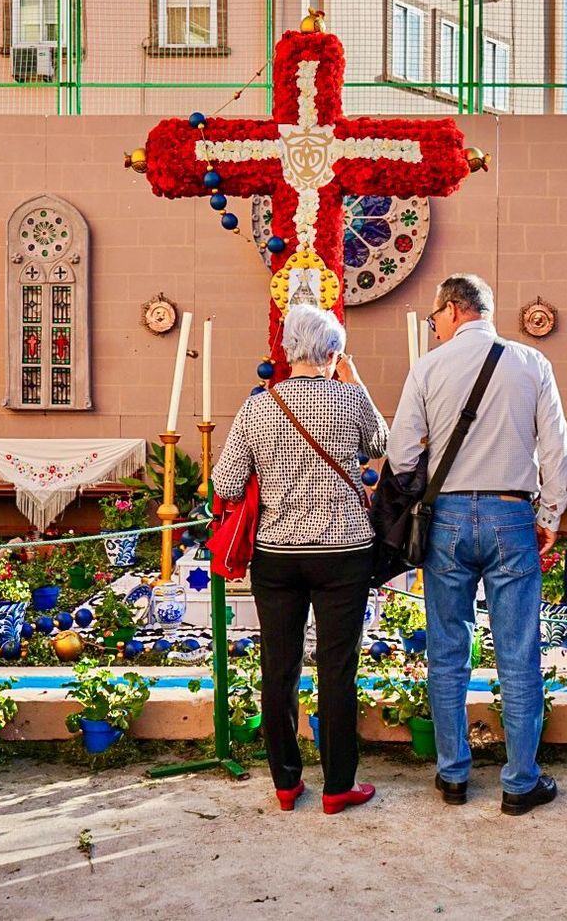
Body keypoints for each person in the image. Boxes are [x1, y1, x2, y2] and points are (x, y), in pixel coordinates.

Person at [387, 273, 567, 817]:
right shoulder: (532, 363)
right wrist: (550, 515)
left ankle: (453, 775)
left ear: (451, 309)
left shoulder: (429, 367)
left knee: (448, 651)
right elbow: (557, 449)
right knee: (518, 653)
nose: (435, 327)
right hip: (511, 513)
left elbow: (401, 455)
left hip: (445, 519)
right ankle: (520, 782)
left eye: (434, 318)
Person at [211, 304, 388, 815]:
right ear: (333, 353)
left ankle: (286, 783)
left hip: (277, 555)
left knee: (279, 666)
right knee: (338, 669)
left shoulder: (258, 408)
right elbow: (381, 443)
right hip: (344, 553)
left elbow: (225, 483)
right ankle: (338, 786)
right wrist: (356, 383)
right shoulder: (348, 398)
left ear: (288, 351)